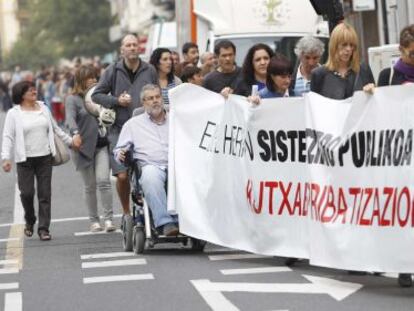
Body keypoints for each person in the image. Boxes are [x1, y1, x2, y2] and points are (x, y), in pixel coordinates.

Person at [1, 81, 80, 240]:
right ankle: (30, 220)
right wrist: (5, 158)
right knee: (27, 193)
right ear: (21, 95)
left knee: (45, 194)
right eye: (29, 89)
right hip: (25, 160)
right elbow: (8, 136)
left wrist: (71, 141)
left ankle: (44, 229)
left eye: (33, 88)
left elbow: (56, 129)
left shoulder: (44, 108)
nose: (33, 90)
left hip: (44, 157)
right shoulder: (14, 113)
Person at [92, 34, 158, 221]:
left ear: (139, 48)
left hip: (146, 128)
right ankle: (127, 212)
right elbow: (97, 95)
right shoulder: (112, 70)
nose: (132, 48)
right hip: (119, 130)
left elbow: (156, 94)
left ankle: (149, 209)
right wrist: (116, 100)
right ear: (122, 50)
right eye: (128, 45)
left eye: (135, 45)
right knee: (122, 176)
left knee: (148, 169)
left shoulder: (149, 69)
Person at [113, 84, 179, 236]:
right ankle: (166, 223)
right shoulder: (133, 124)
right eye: (150, 99)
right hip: (150, 165)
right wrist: (121, 154)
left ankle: (188, 221)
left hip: (177, 165)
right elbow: (118, 150)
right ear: (143, 103)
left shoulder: (176, 119)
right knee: (150, 176)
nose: (155, 101)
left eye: (157, 97)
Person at [377, 24, 414, 288]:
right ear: (401, 49)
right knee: (403, 212)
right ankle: (404, 264)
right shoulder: (388, 76)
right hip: (399, 156)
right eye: (413, 53)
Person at [65, 65, 115, 233]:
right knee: (90, 186)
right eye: (89, 77)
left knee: (104, 181)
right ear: (80, 80)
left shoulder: (100, 96)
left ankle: (108, 219)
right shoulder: (72, 99)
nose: (94, 80)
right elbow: (70, 119)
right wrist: (75, 133)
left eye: (95, 77)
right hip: (83, 148)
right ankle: (94, 220)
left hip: (101, 145)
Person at [310, 23, 375, 99]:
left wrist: (372, 92)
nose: (348, 49)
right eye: (344, 45)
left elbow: (373, 102)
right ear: (334, 46)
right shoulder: (319, 74)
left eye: (351, 45)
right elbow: (315, 106)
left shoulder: (363, 70)